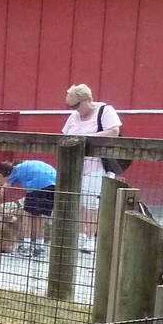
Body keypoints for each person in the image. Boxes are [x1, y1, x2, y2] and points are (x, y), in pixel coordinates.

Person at [61, 83, 121, 251]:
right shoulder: (74, 116)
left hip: (97, 165)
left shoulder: (105, 110)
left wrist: (85, 138)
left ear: (87, 100)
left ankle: (90, 238)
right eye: (71, 106)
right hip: (77, 164)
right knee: (79, 201)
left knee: (92, 203)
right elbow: (65, 135)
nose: (74, 109)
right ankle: (80, 235)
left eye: (76, 105)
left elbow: (113, 131)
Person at [0, 159, 58, 259]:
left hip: (38, 185)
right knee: (40, 217)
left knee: (27, 215)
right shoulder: (29, 166)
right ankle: (39, 247)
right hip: (54, 185)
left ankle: (26, 247)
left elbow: (4, 188)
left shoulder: (15, 170)